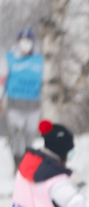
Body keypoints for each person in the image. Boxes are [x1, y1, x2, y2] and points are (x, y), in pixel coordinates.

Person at [0, 27, 44, 169]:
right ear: (18, 42)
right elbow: (2, 80)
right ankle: (18, 163)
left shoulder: (39, 60)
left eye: (28, 40)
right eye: (22, 40)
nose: (25, 43)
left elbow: (46, 81)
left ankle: (27, 165)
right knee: (17, 135)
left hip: (33, 106)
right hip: (15, 105)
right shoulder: (10, 58)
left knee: (30, 137)